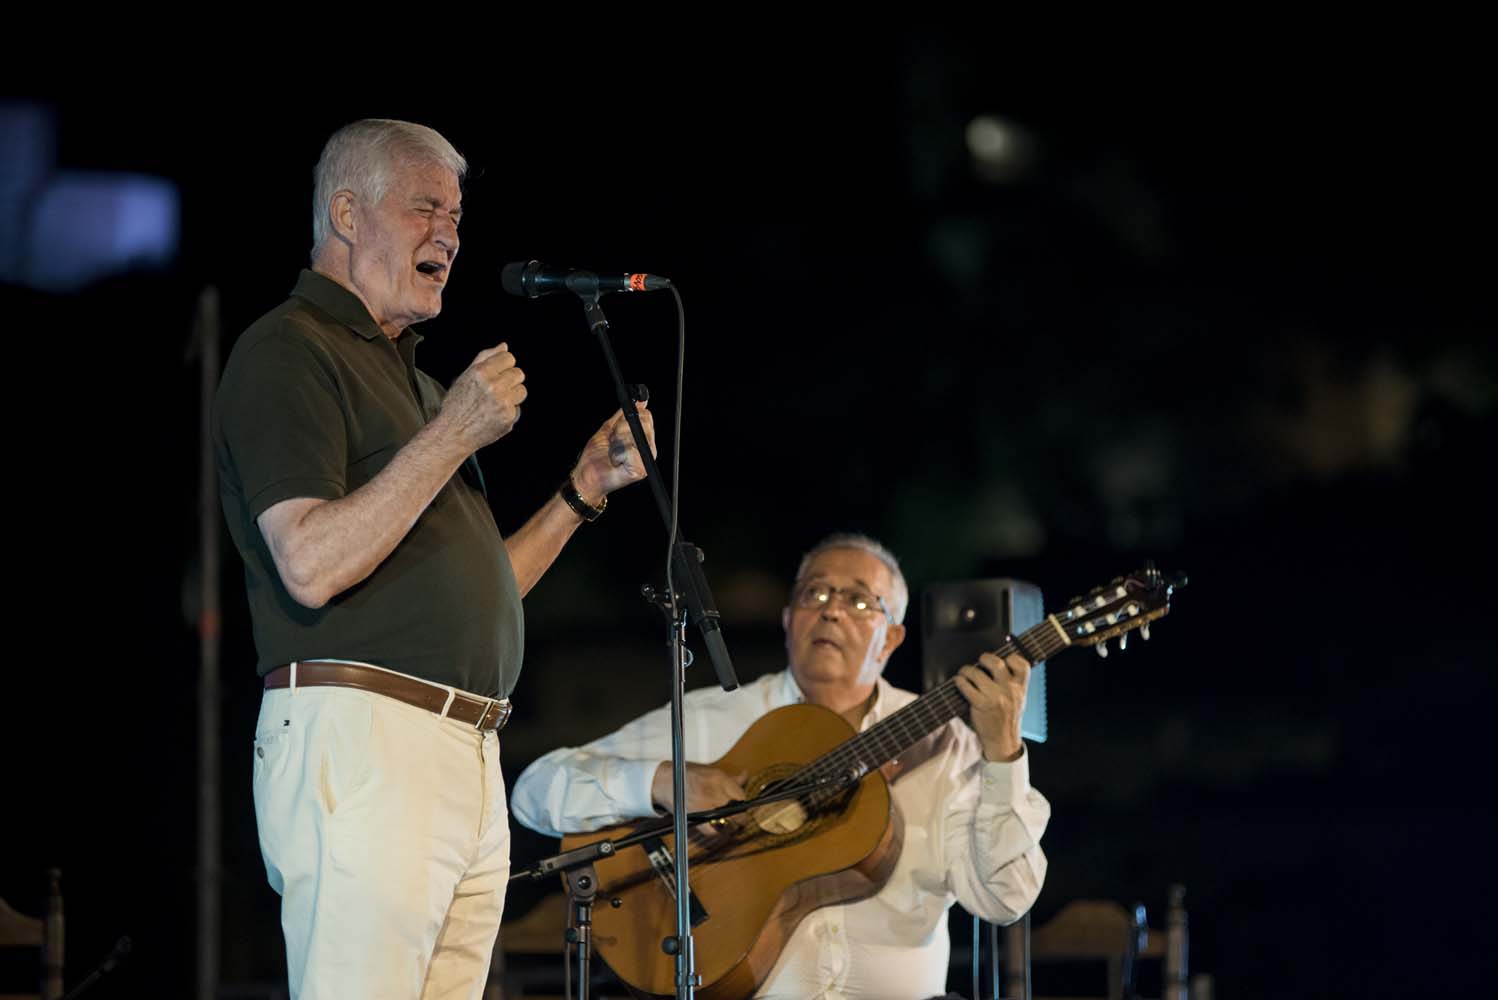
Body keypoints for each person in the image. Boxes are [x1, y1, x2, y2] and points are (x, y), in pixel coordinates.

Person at [212, 118, 654, 1000]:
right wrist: (453, 433)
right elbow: (306, 559)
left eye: (455, 217)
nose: (448, 236)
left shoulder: (411, 381)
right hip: (368, 739)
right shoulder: (289, 349)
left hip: (466, 750)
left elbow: (482, 588)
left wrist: (580, 493)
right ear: (345, 211)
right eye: (424, 209)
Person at [510, 532, 1049, 1000]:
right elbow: (534, 793)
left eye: (860, 601)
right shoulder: (712, 720)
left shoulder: (950, 743)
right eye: (814, 593)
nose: (831, 610)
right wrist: (662, 782)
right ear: (789, 620)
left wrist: (1002, 751)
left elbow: (1005, 898)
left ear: (891, 638)